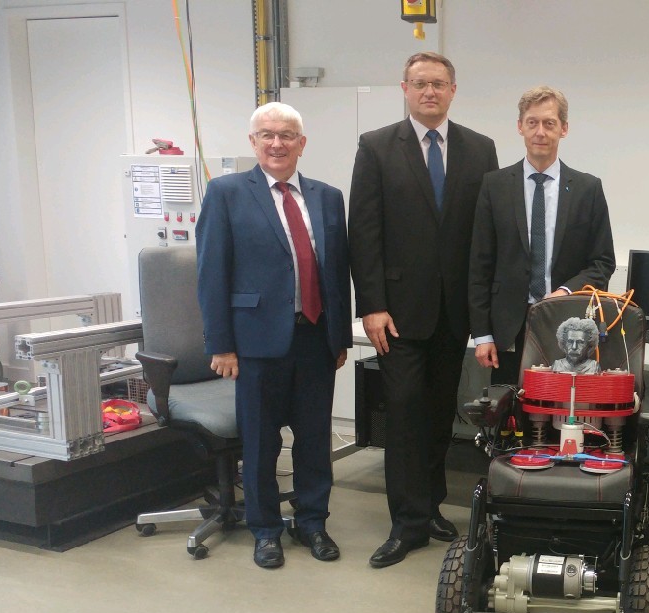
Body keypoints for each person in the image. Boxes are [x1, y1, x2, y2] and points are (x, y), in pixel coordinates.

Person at [349, 52, 499, 568]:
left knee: (438, 414)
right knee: (405, 412)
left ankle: (430, 507)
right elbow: (363, 231)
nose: (429, 91)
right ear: (405, 89)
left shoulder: (480, 148)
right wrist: (371, 305)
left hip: (454, 313)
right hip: (397, 314)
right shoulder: (376, 146)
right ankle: (405, 523)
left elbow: (486, 233)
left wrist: (483, 313)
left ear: (453, 89)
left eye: (438, 83)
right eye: (419, 83)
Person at [196, 102, 352, 569]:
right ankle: (265, 530)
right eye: (267, 135)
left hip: (316, 339)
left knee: (314, 440)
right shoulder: (226, 193)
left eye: (286, 135)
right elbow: (211, 274)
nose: (277, 143)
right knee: (262, 444)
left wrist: (340, 337)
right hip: (255, 342)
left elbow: (337, 272)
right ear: (253, 142)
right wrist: (221, 344)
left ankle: (312, 523)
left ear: (302, 144)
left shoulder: (327, 197)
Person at [469, 86, 615, 385]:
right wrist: (482, 334)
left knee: (563, 407)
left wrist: (565, 292)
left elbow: (602, 262)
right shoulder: (495, 186)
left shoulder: (587, 189)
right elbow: (480, 265)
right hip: (508, 328)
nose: (540, 132)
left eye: (549, 123)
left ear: (564, 128)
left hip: (568, 327)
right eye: (532, 122)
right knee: (510, 406)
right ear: (520, 126)